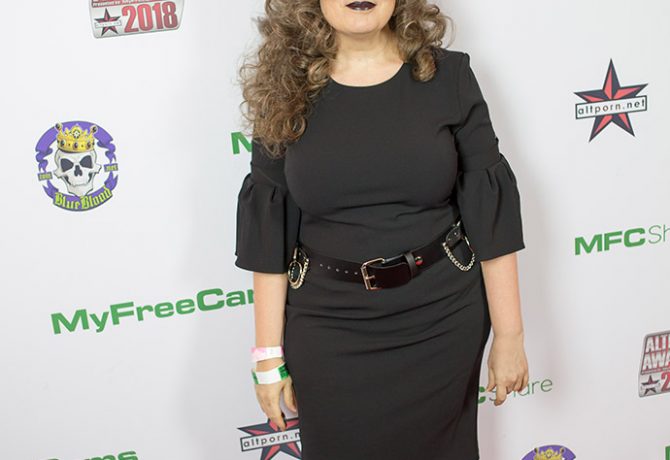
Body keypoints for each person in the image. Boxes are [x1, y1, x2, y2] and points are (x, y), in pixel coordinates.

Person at [234, 0, 530, 458]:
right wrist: (267, 358)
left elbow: (489, 210)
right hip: (330, 330)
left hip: (441, 321)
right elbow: (269, 229)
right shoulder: (285, 87)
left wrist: (510, 336)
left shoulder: (449, 76)